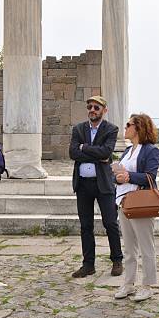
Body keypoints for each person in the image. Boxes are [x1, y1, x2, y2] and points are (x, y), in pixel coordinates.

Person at [69, 95, 123, 278]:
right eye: (90, 107)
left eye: (96, 107)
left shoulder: (111, 129)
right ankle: (88, 264)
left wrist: (84, 148)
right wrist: (95, 154)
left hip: (103, 184)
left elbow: (106, 152)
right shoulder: (78, 129)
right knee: (86, 225)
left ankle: (117, 260)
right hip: (83, 184)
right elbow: (73, 153)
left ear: (104, 110)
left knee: (110, 223)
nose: (92, 110)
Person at [113, 114, 159, 302]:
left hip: (140, 203)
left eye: (128, 125)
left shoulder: (151, 151)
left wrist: (128, 177)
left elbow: (151, 176)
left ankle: (147, 285)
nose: (125, 128)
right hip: (123, 202)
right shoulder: (126, 150)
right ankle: (129, 283)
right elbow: (120, 176)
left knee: (146, 246)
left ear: (138, 127)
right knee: (129, 248)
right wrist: (117, 176)